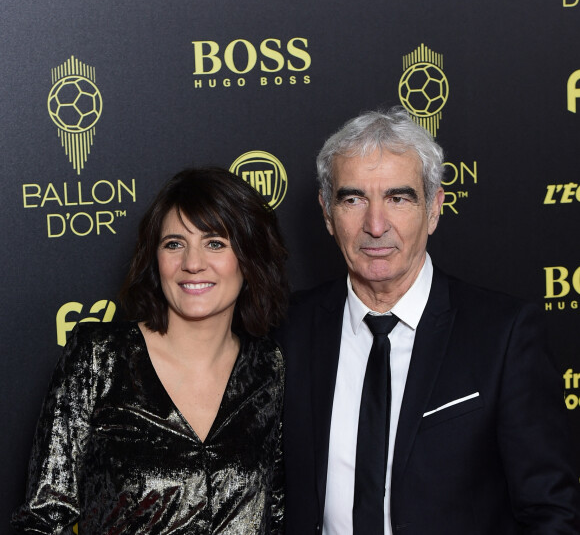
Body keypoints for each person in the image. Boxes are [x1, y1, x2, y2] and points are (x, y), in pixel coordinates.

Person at [278, 107, 580, 534]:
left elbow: (550, 512)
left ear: (435, 207)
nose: (375, 225)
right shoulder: (289, 328)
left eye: (398, 198)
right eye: (354, 199)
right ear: (328, 213)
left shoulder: (504, 335)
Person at [12, 167, 288, 535]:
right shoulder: (99, 357)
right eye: (174, 244)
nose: (192, 263)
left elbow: (279, 512)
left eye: (215, 243)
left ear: (250, 258)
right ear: (155, 260)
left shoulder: (270, 368)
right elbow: (43, 519)